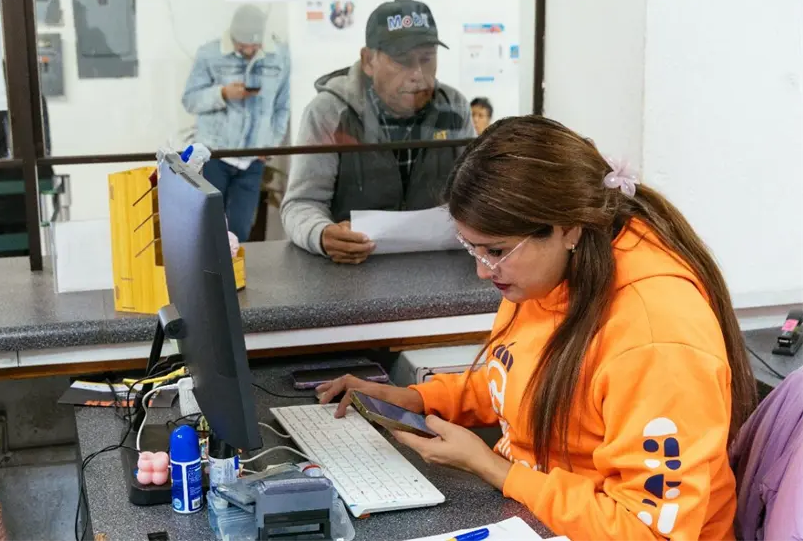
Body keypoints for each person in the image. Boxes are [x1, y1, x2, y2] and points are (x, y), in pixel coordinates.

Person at [318, 116, 757, 540]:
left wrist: (493, 468)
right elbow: (518, 380)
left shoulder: (656, 340)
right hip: (540, 516)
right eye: (471, 247)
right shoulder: (550, 276)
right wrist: (418, 398)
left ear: (567, 229)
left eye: (495, 250)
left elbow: (644, 530)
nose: (483, 271)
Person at [280, 0, 475, 264]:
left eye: (427, 59)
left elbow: (476, 192)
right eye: (403, 61)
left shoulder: (455, 108)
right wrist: (321, 234)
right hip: (351, 273)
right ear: (368, 60)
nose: (418, 74)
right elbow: (301, 204)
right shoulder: (328, 112)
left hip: (437, 267)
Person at [182, 4, 290, 241]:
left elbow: (282, 108)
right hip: (215, 155)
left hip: (252, 160)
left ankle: (235, 277)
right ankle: (209, 277)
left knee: (240, 230)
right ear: (232, 37)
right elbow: (190, 100)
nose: (249, 50)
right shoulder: (209, 54)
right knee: (208, 228)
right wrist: (222, 94)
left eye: (254, 45)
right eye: (243, 46)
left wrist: (269, 146)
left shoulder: (279, 57)